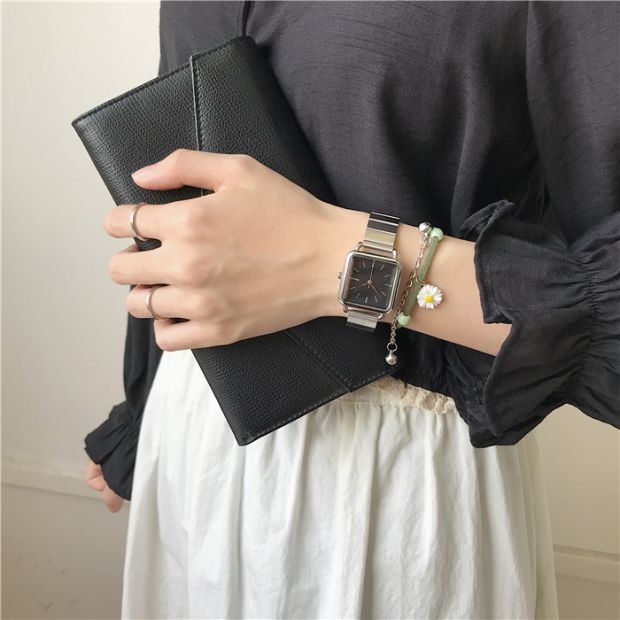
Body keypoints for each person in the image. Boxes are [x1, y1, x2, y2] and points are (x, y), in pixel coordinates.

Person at [83, 1, 619, 618]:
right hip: (194, 441)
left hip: (393, 485)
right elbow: (190, 211)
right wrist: (138, 408)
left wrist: (340, 263)